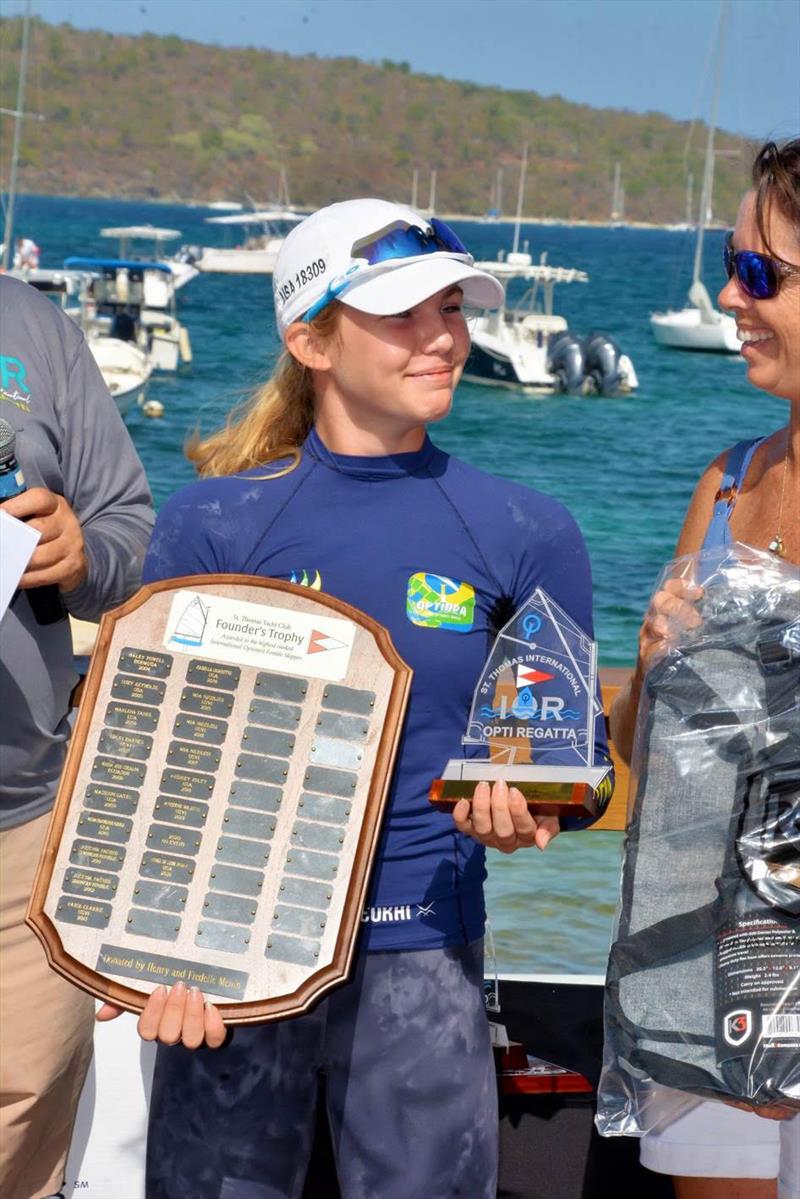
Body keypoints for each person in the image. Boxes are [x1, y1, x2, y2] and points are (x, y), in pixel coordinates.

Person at [98, 198, 612, 1199]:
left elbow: (568, 764)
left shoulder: (526, 529)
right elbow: (150, 767)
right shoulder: (212, 523)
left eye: (452, 307)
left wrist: (530, 809)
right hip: (227, 971)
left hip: (422, 958)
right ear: (310, 338)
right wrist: (155, 955)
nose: (443, 334)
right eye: (401, 312)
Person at [610, 139, 800, 1199]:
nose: (730, 295)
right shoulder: (723, 484)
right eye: (731, 264)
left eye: (758, 273)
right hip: (715, 958)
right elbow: (644, 756)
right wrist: (649, 673)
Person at [0, 274, 155, 1199]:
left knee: (22, 1110)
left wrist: (82, 552)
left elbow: (133, 529)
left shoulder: (33, 324)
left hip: (24, 828)